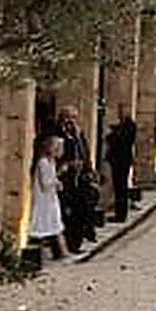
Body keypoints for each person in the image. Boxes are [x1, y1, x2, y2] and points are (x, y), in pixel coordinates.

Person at [56, 106, 97, 253]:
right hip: (66, 181)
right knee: (67, 213)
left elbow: (85, 153)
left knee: (81, 210)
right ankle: (67, 244)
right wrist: (66, 165)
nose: (71, 121)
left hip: (81, 180)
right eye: (68, 117)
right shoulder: (59, 135)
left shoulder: (79, 135)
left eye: (74, 117)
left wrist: (89, 169)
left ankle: (77, 241)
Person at [30, 137, 66, 260]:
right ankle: (60, 252)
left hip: (50, 198)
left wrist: (57, 182)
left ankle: (61, 252)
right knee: (46, 224)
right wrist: (58, 176)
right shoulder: (43, 163)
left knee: (55, 223)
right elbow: (45, 184)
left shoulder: (51, 162)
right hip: (43, 200)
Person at [104, 105, 137, 224]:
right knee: (118, 186)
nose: (119, 114)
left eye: (121, 112)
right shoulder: (122, 126)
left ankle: (121, 213)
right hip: (118, 160)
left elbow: (122, 140)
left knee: (121, 187)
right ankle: (119, 211)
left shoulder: (129, 126)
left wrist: (113, 134)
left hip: (122, 160)